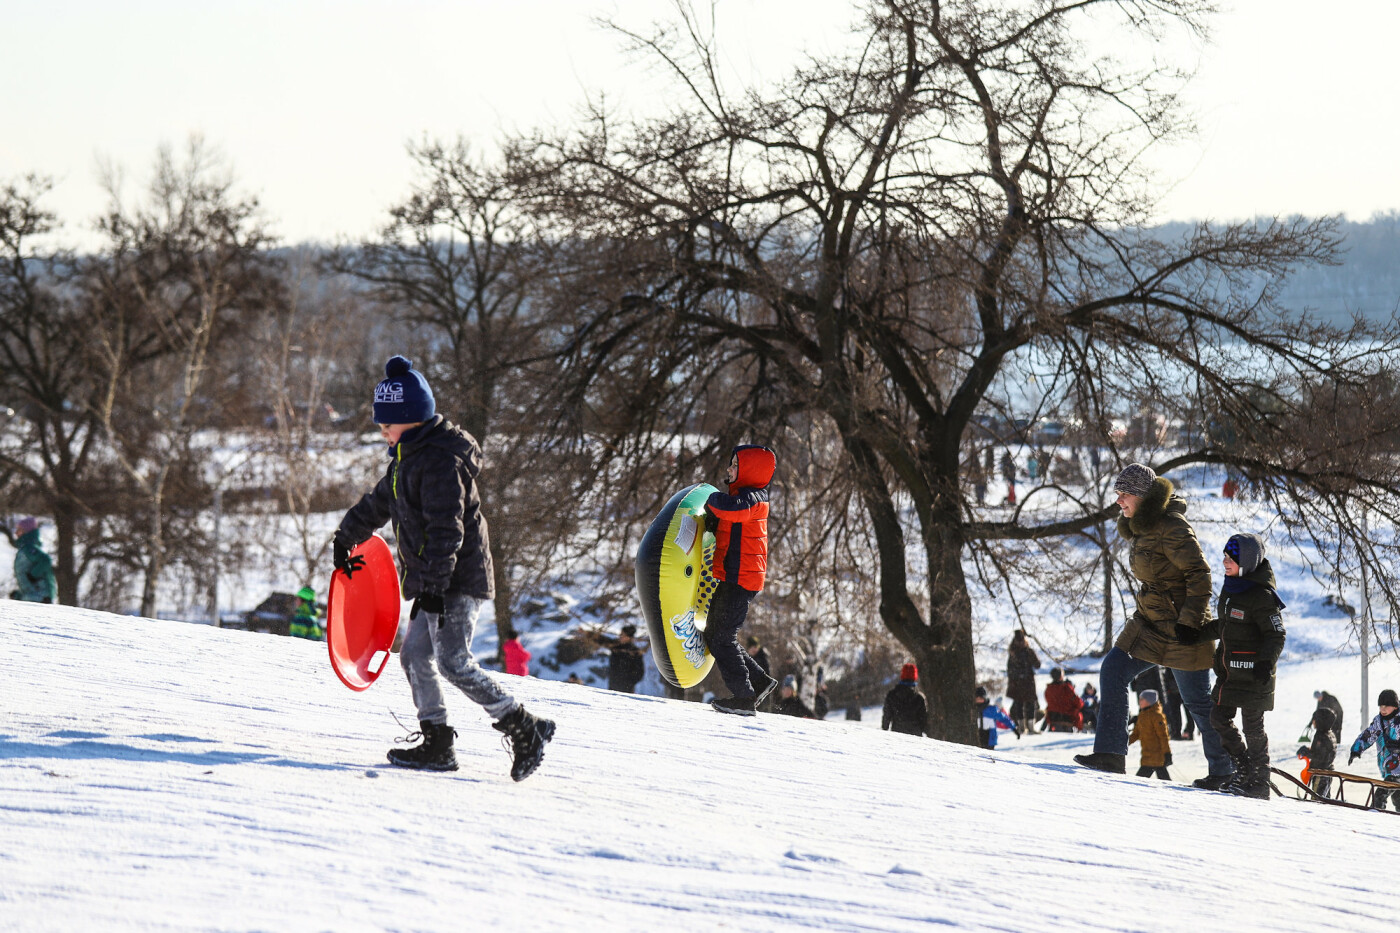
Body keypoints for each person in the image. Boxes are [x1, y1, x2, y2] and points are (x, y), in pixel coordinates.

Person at [333, 356, 554, 781]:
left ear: (411, 419)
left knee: (453, 662)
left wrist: (433, 586)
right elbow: (379, 503)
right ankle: (437, 742)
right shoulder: (406, 461)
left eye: (387, 423)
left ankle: (524, 728)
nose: (382, 431)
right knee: (415, 655)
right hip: (434, 581)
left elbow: (446, 530)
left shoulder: (438, 463)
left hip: (456, 580)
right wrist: (347, 537)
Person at [1074, 464, 1233, 785]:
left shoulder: (1171, 526)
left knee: (1199, 704)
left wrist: (1189, 623)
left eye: (1124, 494)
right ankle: (1110, 754)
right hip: (1148, 625)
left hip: (1181, 629)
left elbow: (1199, 574)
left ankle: (1225, 772)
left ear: (1143, 496)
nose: (1119, 501)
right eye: (1117, 494)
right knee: (1113, 670)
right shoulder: (1143, 527)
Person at [703, 445, 780, 716]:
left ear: (749, 471)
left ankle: (744, 698)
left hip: (742, 579)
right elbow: (724, 522)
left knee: (721, 637)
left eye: (734, 465)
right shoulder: (742, 496)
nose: (729, 469)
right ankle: (759, 682)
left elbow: (731, 510)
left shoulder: (754, 498)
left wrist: (708, 497)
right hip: (734, 577)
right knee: (715, 635)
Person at [1208, 532, 1286, 799]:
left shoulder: (1262, 595)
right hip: (1230, 673)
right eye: (1224, 557)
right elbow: (1224, 626)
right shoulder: (1230, 587)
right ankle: (1243, 769)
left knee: (1253, 727)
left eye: (1230, 558)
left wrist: (1266, 662)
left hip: (1255, 674)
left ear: (1247, 562)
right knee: (1218, 717)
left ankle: (1259, 783)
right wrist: (1196, 633)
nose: (1224, 562)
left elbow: (1276, 634)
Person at [1347, 689, 1400, 811]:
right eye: (1381, 706)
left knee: (1380, 796)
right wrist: (1356, 750)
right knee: (1398, 799)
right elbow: (1368, 735)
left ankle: (1374, 817)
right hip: (1388, 769)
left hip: (1396, 771)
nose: (1383, 709)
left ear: (1395, 707)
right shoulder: (1379, 721)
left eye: (1386, 706)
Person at [8, 516, 56, 603]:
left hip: (40, 596)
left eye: (19, 529)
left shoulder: (29, 548)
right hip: (33, 595)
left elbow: (45, 560)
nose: (16, 533)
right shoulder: (25, 548)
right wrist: (19, 595)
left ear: (26, 531)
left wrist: (33, 574)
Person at [1129, 689, 1172, 780]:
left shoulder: (1157, 716)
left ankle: (1174, 792)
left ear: (1149, 701)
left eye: (1142, 699)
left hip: (1157, 756)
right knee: (1163, 779)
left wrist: (1167, 753)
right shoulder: (1142, 715)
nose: (1139, 701)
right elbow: (1136, 733)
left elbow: (1163, 737)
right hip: (1147, 756)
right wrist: (1125, 742)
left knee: (1139, 781)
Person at [1005, 629, 1040, 734]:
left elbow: (1037, 665)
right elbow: (1037, 665)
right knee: (1023, 704)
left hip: (1022, 682)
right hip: (1022, 682)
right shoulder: (1018, 652)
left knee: (1024, 704)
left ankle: (1026, 727)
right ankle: (1026, 727)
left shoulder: (1018, 652)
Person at [1298, 706, 1337, 799]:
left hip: (1320, 773)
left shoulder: (1321, 736)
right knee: (1324, 798)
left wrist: (1306, 752)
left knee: (1317, 799)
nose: (1313, 722)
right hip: (1327, 771)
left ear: (1320, 721)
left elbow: (1319, 756)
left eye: (1315, 719)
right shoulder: (1330, 734)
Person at [881, 663, 927, 736]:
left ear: (902, 675)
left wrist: (884, 728)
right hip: (915, 737)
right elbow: (924, 720)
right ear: (915, 676)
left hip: (897, 735)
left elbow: (887, 716)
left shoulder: (892, 695)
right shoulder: (919, 698)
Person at [607, 623, 645, 692]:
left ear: (628, 637)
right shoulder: (616, 648)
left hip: (627, 690)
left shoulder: (635, 652)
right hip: (612, 687)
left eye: (622, 635)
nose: (620, 636)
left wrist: (629, 683)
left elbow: (639, 673)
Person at [1043, 668, 1084, 732]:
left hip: (1053, 716)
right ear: (1061, 676)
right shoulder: (1066, 688)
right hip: (1067, 717)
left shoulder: (1049, 689)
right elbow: (1078, 703)